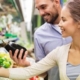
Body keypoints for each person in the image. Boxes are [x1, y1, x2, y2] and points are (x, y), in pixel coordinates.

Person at [0, 0, 80, 80]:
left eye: (64, 20)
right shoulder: (59, 52)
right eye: (38, 9)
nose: (60, 24)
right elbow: (29, 72)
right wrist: (27, 64)